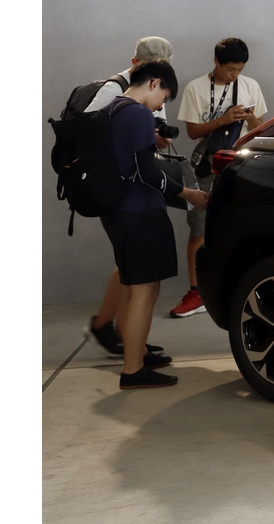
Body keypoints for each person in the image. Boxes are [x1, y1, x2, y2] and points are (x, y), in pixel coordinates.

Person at [101, 59, 210, 389]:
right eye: (165, 96)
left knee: (136, 288)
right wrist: (188, 193)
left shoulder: (112, 109)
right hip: (140, 212)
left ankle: (135, 355)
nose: (162, 104)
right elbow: (147, 174)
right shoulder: (137, 113)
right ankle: (133, 371)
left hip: (117, 212)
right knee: (145, 292)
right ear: (154, 83)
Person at [84, 36, 176, 358]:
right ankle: (128, 353)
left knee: (131, 276)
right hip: (130, 201)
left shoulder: (123, 97)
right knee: (139, 283)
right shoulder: (123, 99)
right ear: (151, 76)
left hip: (120, 202)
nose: (162, 102)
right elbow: (112, 147)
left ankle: (129, 339)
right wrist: (184, 192)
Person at [172, 37, 267, 317]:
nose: (235, 75)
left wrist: (248, 118)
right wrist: (224, 119)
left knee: (243, 224)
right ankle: (195, 291)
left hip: (241, 165)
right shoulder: (196, 88)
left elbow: (260, 130)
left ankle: (241, 286)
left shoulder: (250, 86)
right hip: (207, 166)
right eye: (231, 69)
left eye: (240, 69)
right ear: (216, 62)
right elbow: (192, 132)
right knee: (199, 228)